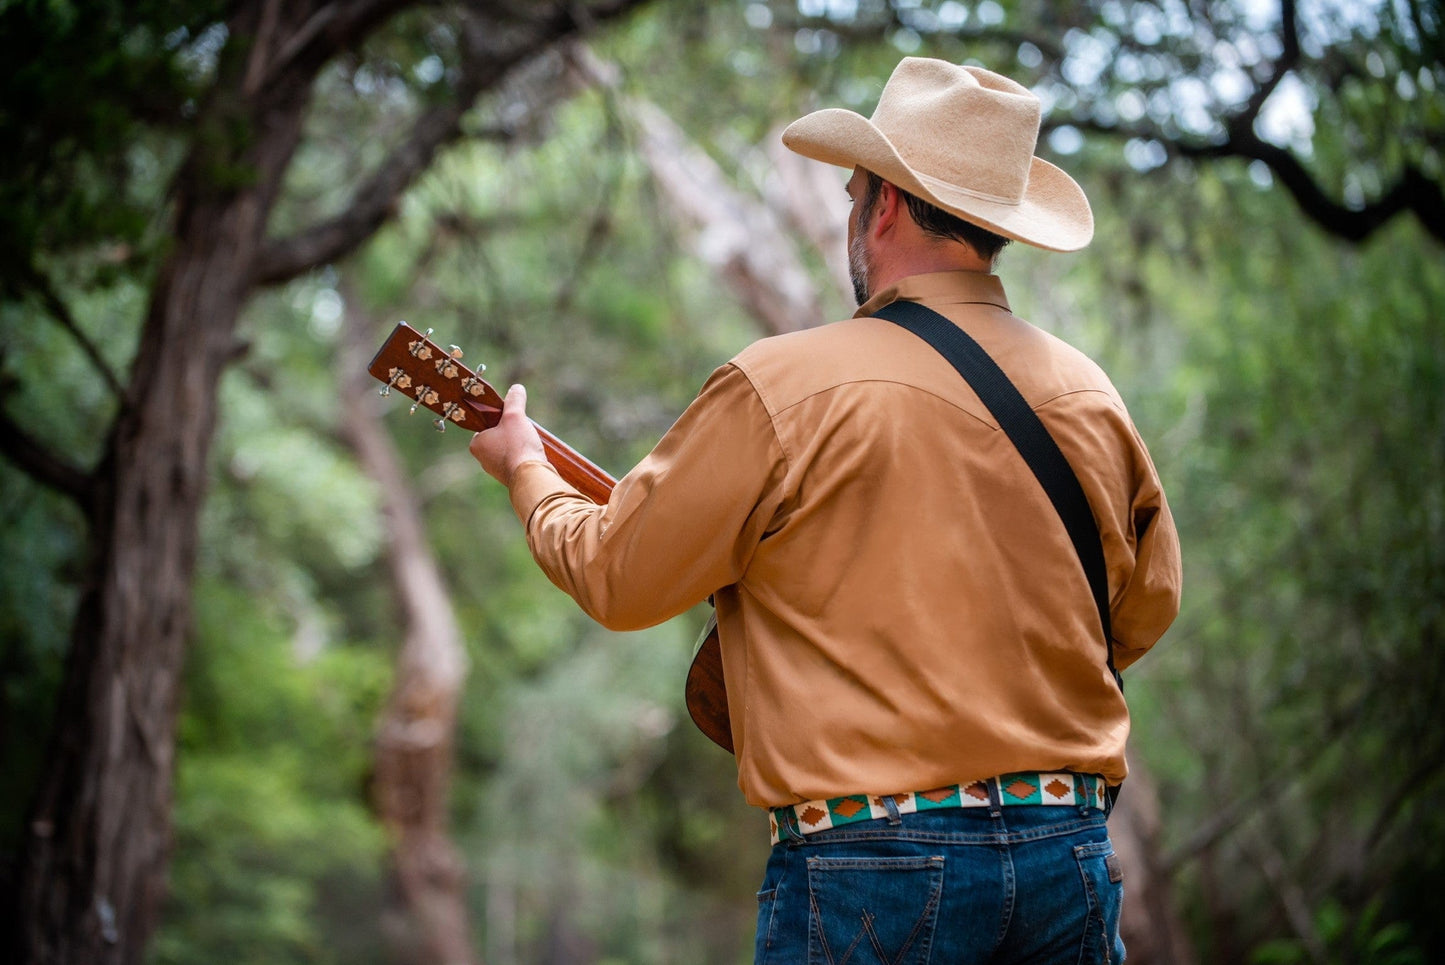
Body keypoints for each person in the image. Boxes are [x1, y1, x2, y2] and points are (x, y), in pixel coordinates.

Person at [471, 56, 1181, 965]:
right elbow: (1142, 611)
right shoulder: (1090, 395)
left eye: (853, 193)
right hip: (1068, 856)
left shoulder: (782, 384)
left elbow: (616, 576)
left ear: (883, 205)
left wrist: (526, 469)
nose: (851, 212)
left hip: (870, 868)